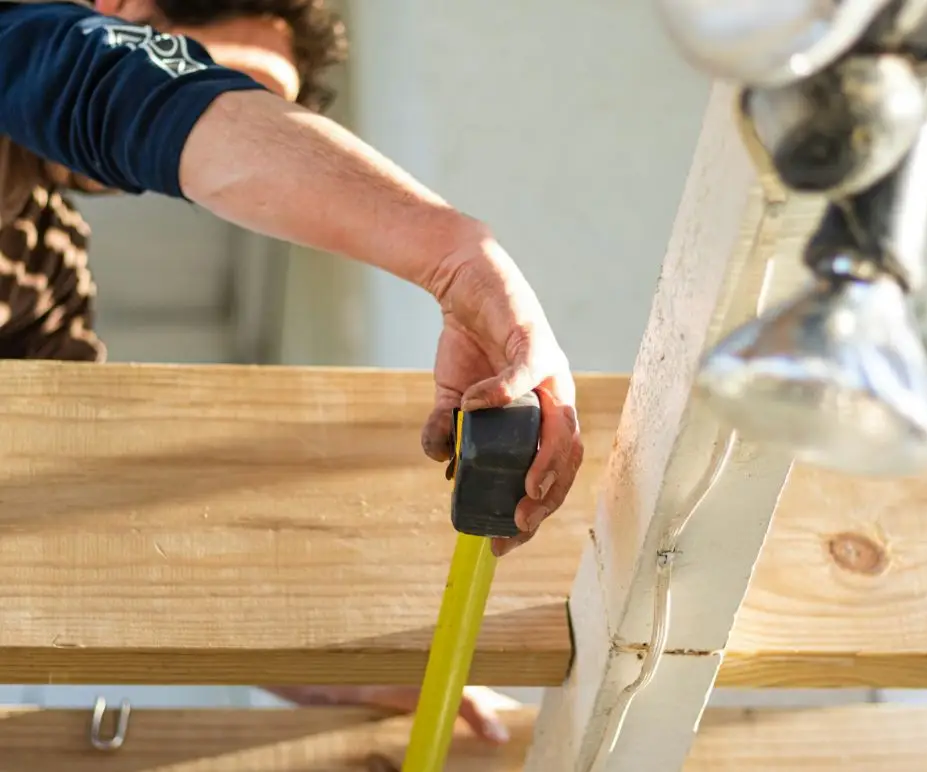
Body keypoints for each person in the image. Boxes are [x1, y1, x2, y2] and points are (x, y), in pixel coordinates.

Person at [0, 0, 584, 747]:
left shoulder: (41, 270)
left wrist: (306, 663)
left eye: (263, 109)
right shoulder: (27, 38)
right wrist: (457, 258)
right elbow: (114, 85)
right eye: (211, 78)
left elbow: (76, 511)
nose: (220, 142)